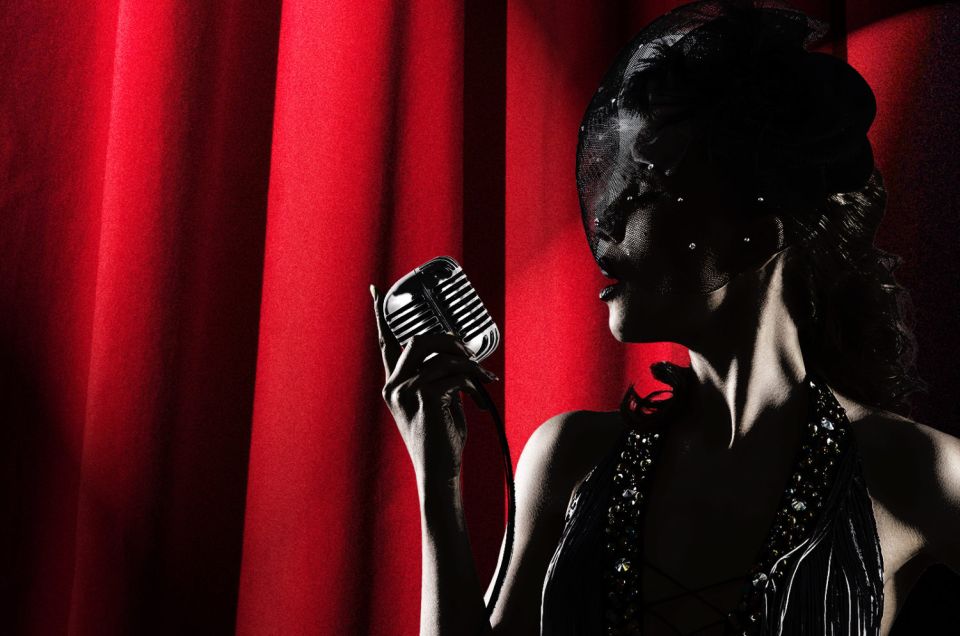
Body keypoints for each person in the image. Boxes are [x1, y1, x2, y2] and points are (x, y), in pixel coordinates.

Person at [371, 1, 960, 634]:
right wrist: (438, 480)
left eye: (646, 191)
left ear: (753, 237)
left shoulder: (913, 472)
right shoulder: (572, 459)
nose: (608, 221)